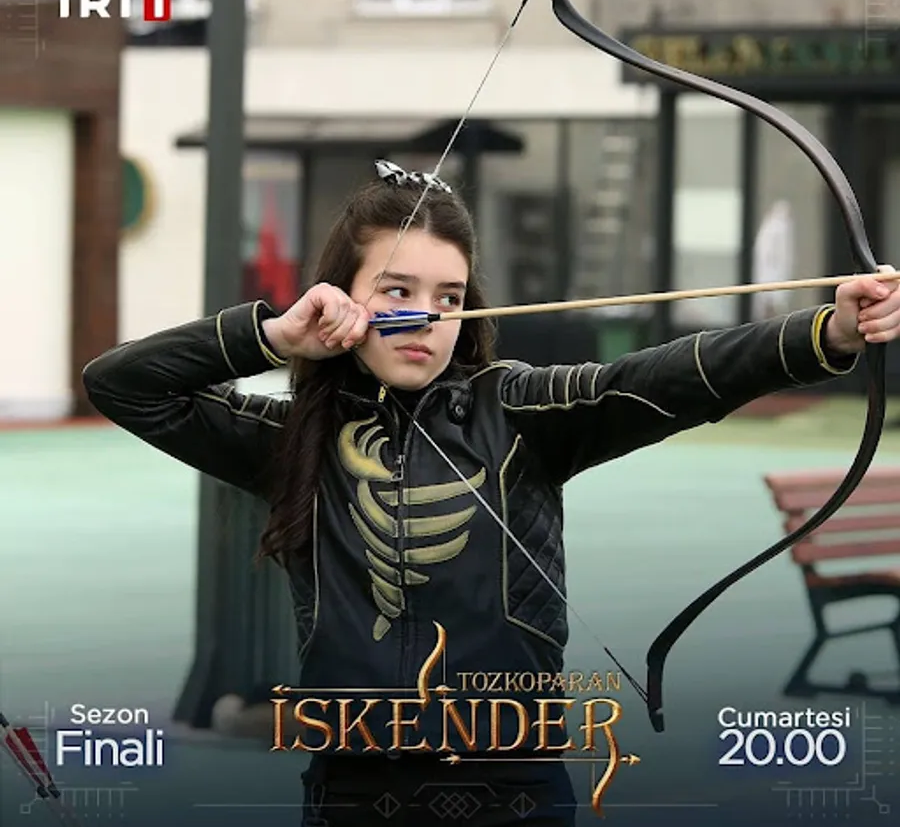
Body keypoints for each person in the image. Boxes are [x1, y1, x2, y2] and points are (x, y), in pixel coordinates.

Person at [83, 161, 900, 826]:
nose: (426, 318)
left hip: (513, 794)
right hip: (353, 793)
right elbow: (121, 384)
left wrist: (825, 332)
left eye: (448, 297)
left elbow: (660, 379)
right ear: (341, 297)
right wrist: (271, 334)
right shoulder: (291, 437)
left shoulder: (518, 409)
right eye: (396, 291)